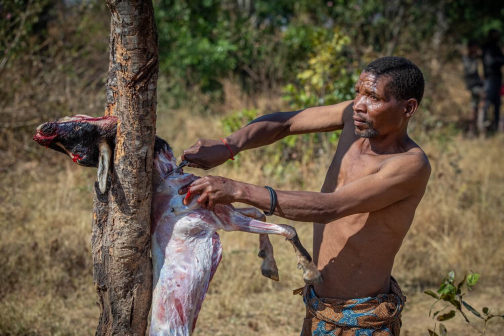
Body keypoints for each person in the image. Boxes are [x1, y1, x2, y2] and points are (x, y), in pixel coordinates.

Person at [179, 56, 431, 335]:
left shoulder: (409, 164)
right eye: (358, 92)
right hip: (318, 307)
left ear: (408, 108)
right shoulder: (353, 118)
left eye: (373, 97)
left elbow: (330, 207)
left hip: (363, 319)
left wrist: (239, 190)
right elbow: (287, 123)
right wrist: (229, 145)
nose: (359, 104)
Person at [481, 29, 504, 133]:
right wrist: (498, 60)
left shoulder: (497, 47)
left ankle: (495, 126)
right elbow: (489, 62)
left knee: (497, 102)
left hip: (498, 78)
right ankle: (484, 125)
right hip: (489, 79)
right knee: (487, 101)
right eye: (495, 35)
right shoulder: (487, 47)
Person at [462, 40, 484, 136]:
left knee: (475, 107)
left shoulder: (476, 58)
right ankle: (476, 129)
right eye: (474, 47)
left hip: (479, 85)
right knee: (477, 106)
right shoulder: (467, 59)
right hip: (473, 86)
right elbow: (470, 71)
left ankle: (475, 129)